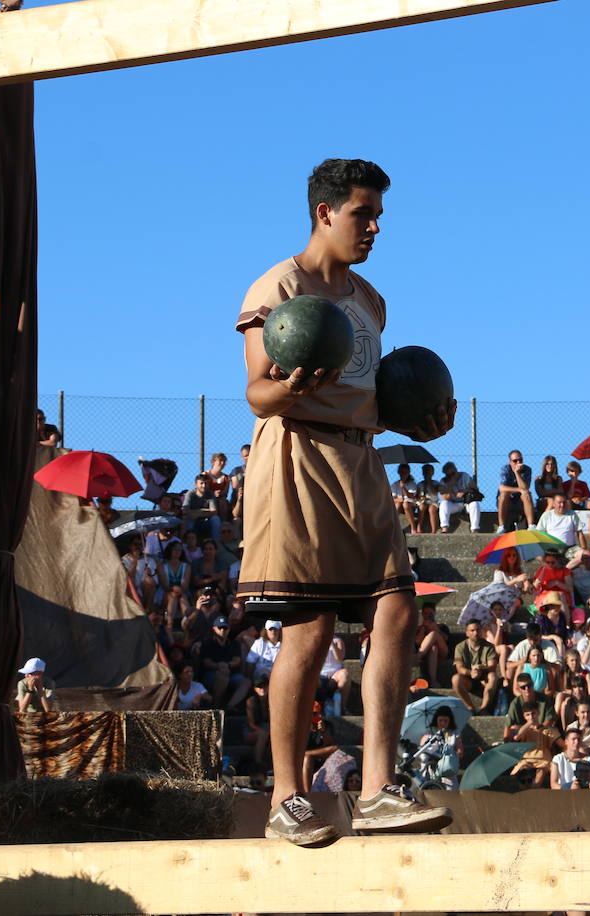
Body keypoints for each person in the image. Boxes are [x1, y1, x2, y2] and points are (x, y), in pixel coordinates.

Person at [235, 158, 453, 844]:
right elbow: (258, 393)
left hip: (360, 456)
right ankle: (286, 798)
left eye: (378, 214)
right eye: (363, 213)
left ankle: (381, 788)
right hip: (295, 452)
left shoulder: (370, 300)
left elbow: (365, 397)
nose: (375, 226)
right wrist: (290, 387)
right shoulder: (279, 286)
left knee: (396, 606)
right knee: (310, 631)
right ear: (324, 213)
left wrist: (413, 421)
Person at [437, 461, 483, 533]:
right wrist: (451, 483)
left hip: (466, 502)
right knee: (443, 504)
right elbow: (444, 497)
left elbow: (475, 489)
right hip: (454, 504)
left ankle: (474, 529)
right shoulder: (443, 481)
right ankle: (444, 528)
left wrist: (465, 491)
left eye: (453, 473)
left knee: (475, 504)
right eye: (449, 474)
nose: (452, 475)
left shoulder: (464, 476)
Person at [497, 451, 534, 531]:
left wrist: (517, 473)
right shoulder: (505, 469)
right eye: (515, 461)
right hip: (507, 501)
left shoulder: (527, 469)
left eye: (520, 460)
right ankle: (501, 527)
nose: (518, 463)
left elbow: (525, 488)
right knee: (504, 494)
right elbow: (502, 488)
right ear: (510, 462)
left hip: (520, 501)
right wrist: (519, 489)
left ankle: (531, 526)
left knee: (526, 494)